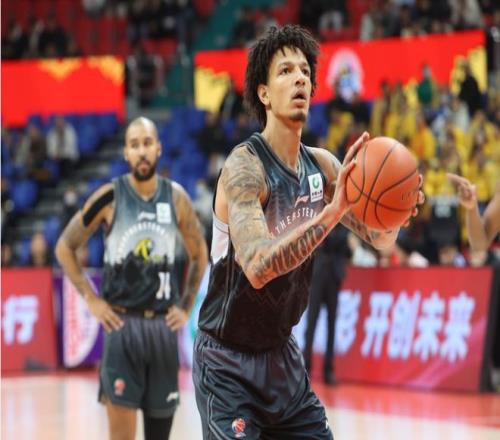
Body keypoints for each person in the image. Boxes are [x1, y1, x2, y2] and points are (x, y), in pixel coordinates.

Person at [192, 25, 424, 439]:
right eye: (286, 71)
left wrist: (396, 212)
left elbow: (379, 239)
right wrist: (331, 214)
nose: (300, 78)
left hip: (282, 359)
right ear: (264, 93)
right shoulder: (245, 168)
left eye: (305, 71)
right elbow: (257, 267)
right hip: (227, 363)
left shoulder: (323, 167)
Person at [55, 117, 208, 440]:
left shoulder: (176, 198)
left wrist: (185, 306)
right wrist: (91, 299)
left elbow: (200, 254)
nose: (141, 151)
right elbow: (65, 246)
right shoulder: (110, 197)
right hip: (121, 328)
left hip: (163, 329)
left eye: (147, 143)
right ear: (126, 152)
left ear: (158, 148)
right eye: (134, 145)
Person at [303, 224, 351, 385]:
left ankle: (328, 370)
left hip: (334, 276)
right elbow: (319, 237)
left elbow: (345, 247)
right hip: (318, 273)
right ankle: (305, 367)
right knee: (312, 322)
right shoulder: (321, 215)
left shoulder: (344, 222)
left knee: (332, 324)